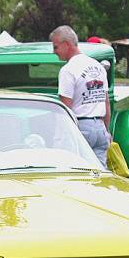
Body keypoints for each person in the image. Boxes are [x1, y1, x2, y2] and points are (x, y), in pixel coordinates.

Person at [50, 25, 111, 166]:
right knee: (100, 174)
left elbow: (65, 108)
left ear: (66, 44)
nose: (54, 52)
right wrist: (107, 131)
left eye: (55, 47)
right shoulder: (97, 66)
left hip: (80, 127)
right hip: (99, 126)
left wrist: (58, 138)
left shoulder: (68, 70)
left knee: (77, 172)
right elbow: (105, 102)